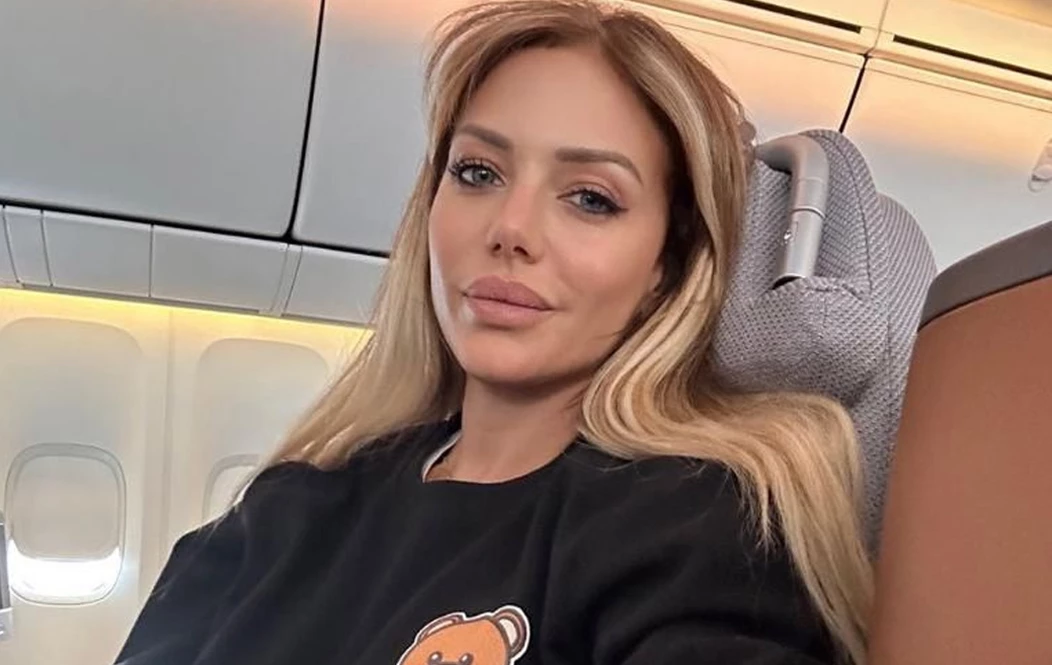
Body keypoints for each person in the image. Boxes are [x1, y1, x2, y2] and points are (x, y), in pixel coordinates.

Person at [115, 1, 873, 664]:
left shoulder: (698, 527)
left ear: (664, 268)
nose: (510, 228)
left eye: (590, 198)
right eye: (478, 172)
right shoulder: (284, 513)